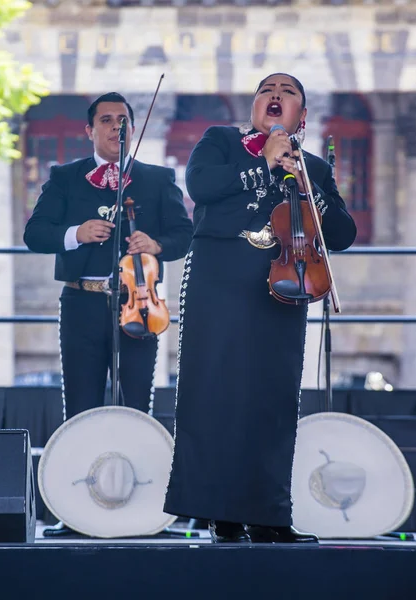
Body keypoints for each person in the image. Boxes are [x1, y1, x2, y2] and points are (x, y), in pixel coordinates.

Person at [163, 73, 357, 543]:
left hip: (284, 286)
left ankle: (269, 515)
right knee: (214, 396)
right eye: (266, 90)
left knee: (273, 400)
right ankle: (220, 515)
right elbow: (203, 186)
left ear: (302, 116)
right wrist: (265, 163)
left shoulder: (314, 167)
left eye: (288, 92)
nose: (276, 96)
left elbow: (343, 234)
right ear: (254, 108)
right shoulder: (223, 142)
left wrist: (310, 189)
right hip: (219, 283)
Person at [24, 92, 193, 422]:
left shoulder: (157, 179)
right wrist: (77, 233)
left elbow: (183, 236)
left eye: (123, 121)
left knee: (136, 404)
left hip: (139, 304)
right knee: (79, 404)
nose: (117, 127)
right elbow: (35, 234)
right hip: (80, 301)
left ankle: (137, 473)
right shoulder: (65, 177)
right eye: (106, 120)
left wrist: (155, 245)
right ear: (89, 131)